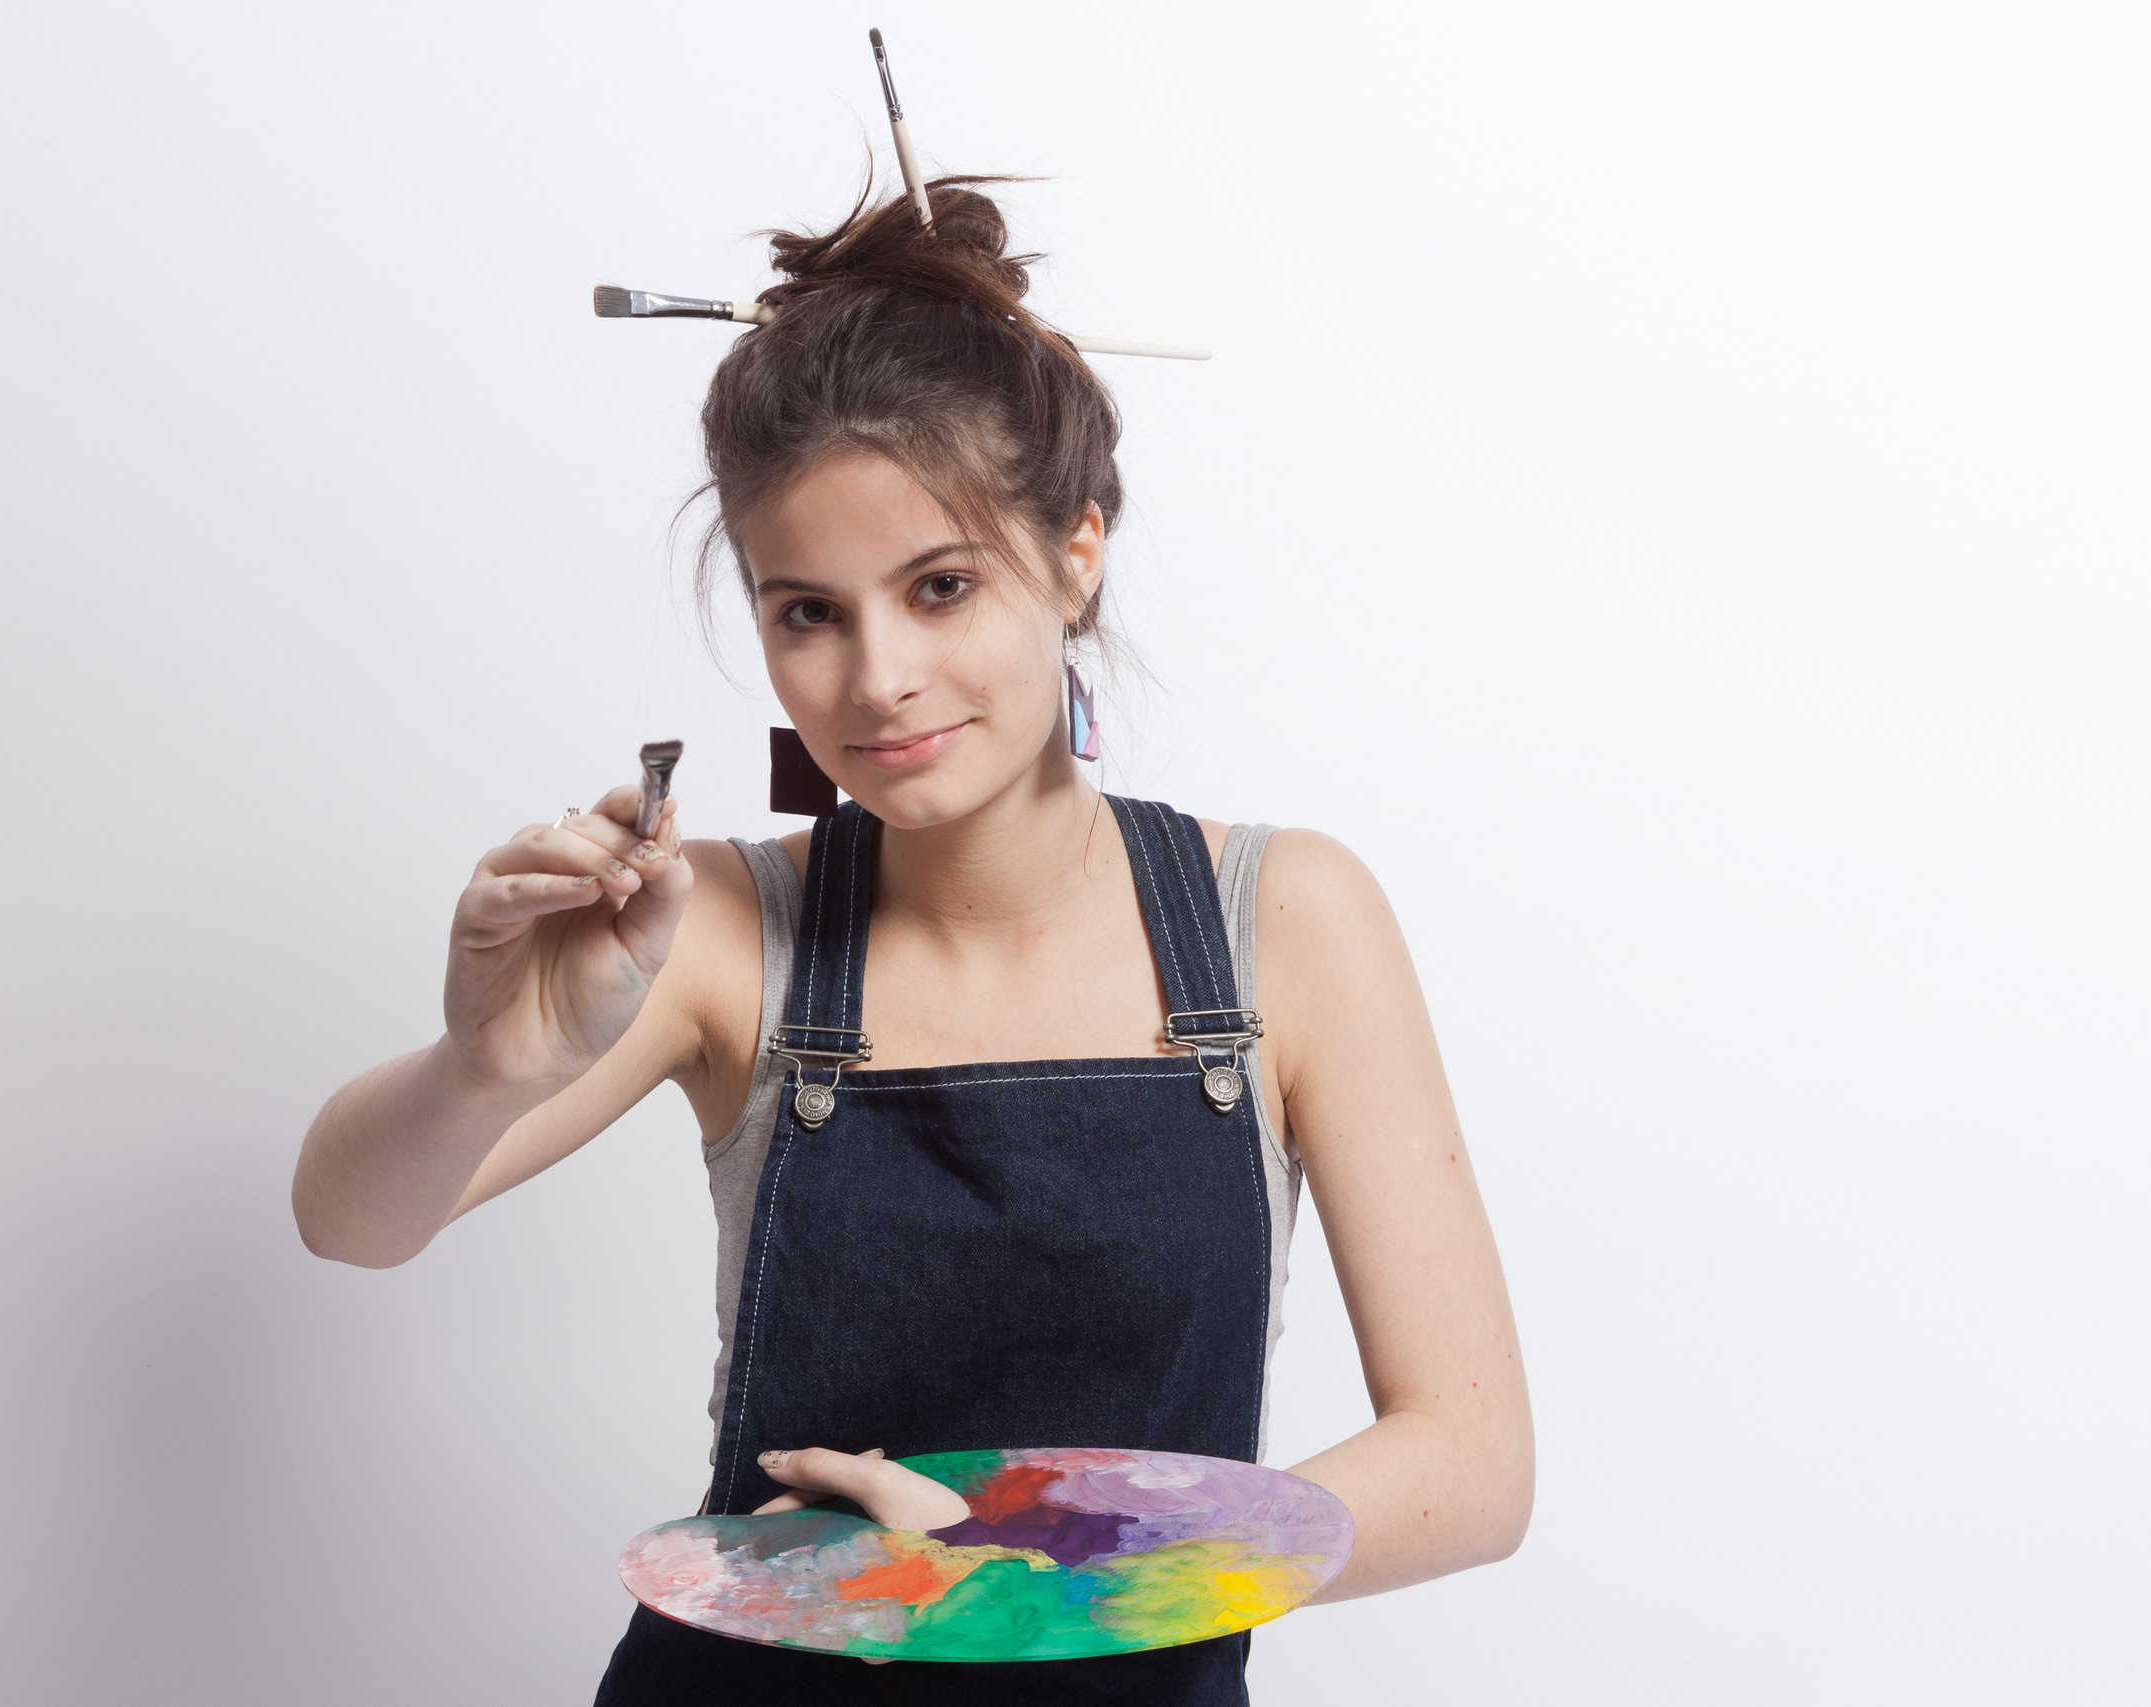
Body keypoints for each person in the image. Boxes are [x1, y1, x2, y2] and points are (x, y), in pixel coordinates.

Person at [292, 177, 1533, 1703]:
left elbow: (1472, 1468)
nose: (877, 677)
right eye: (808, 611)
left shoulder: (1282, 920)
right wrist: (489, 1061)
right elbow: (350, 1220)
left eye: (941, 587)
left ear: (1076, 553)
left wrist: (1031, 1564)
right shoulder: (729, 928)